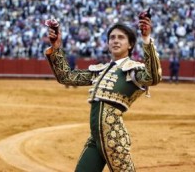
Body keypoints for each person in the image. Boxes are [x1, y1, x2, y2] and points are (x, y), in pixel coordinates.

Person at [44, 15, 162, 171]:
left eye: (121, 37)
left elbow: (153, 77)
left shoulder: (134, 70)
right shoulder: (100, 70)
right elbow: (67, 77)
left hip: (114, 137)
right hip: (96, 138)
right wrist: (56, 47)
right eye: (112, 37)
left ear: (130, 45)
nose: (115, 40)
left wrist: (146, 39)